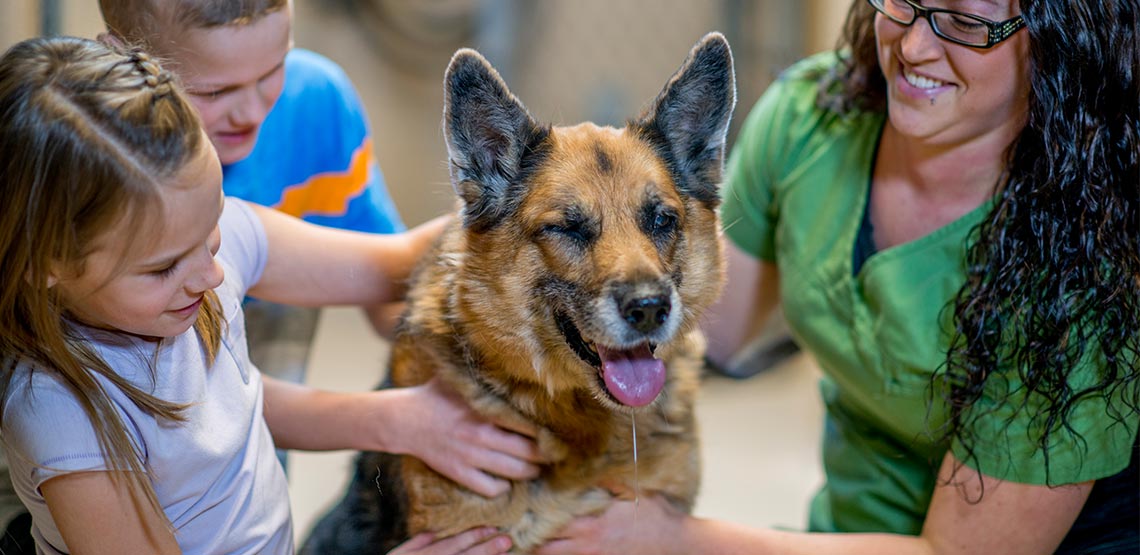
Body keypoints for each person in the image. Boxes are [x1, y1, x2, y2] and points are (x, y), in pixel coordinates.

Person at [536, 1, 1139, 553]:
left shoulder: (1086, 278)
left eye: (963, 22)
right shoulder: (813, 120)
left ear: (1060, 43)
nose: (915, 47)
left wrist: (675, 539)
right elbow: (691, 324)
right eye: (904, 1)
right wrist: (440, 407)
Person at [0, 36, 541, 554]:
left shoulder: (198, 253)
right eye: (163, 267)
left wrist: (548, 198)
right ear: (48, 263)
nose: (212, 275)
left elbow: (394, 262)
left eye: (213, 224)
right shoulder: (63, 415)